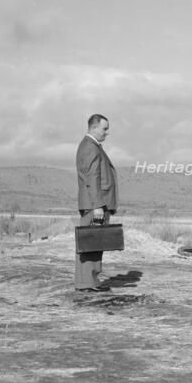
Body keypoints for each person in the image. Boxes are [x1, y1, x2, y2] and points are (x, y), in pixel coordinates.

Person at [75, 114, 118, 292]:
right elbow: (92, 178)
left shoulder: (92, 146)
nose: (107, 133)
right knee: (89, 245)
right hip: (95, 205)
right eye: (104, 128)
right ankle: (86, 284)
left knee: (94, 244)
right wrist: (98, 205)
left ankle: (90, 281)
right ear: (94, 128)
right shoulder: (90, 147)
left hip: (96, 204)